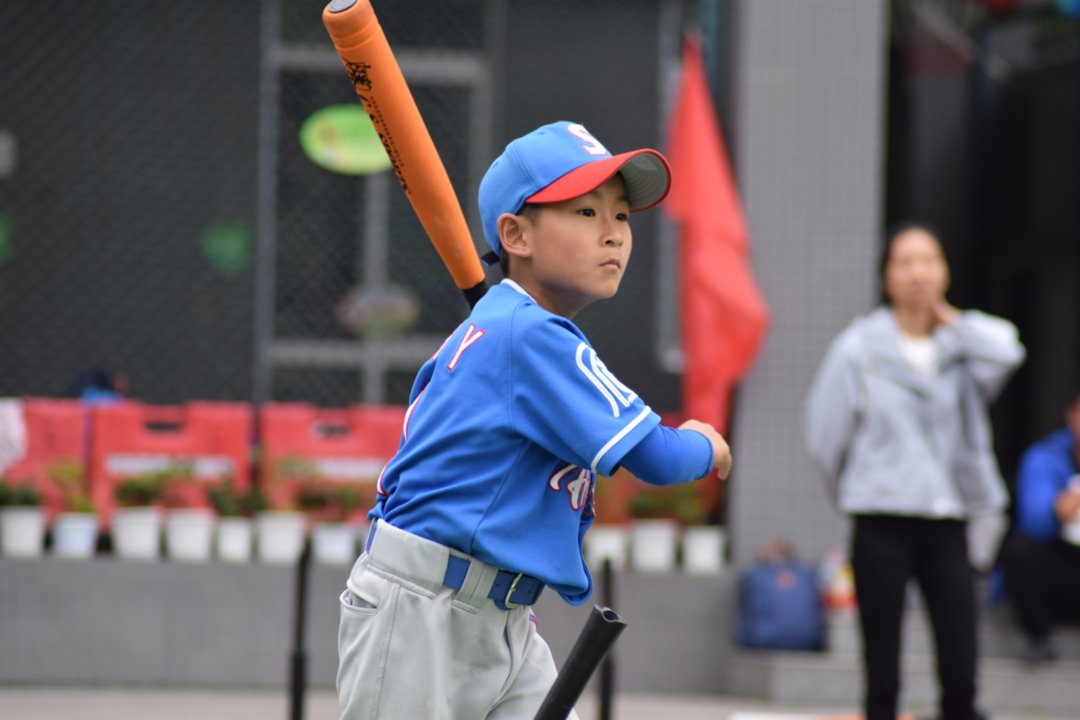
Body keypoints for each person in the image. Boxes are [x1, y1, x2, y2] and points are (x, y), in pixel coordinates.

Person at [336, 121, 732, 720]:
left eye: (621, 216)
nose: (612, 234)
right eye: (584, 212)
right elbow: (658, 457)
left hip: (500, 618)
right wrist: (705, 444)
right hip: (422, 614)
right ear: (516, 234)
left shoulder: (514, 327)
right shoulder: (529, 336)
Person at [804, 223, 1025, 720]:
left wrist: (948, 319)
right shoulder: (859, 348)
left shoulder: (962, 346)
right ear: (886, 275)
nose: (918, 273)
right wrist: (857, 488)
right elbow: (824, 437)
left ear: (945, 271)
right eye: (905, 262)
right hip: (880, 518)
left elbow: (1010, 349)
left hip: (947, 520)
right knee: (882, 669)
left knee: (961, 663)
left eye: (929, 261)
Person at [998, 386, 1080, 664]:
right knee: (1021, 551)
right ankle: (1039, 637)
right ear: (1071, 415)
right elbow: (1034, 525)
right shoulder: (1044, 457)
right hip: (1060, 567)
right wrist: (1063, 506)